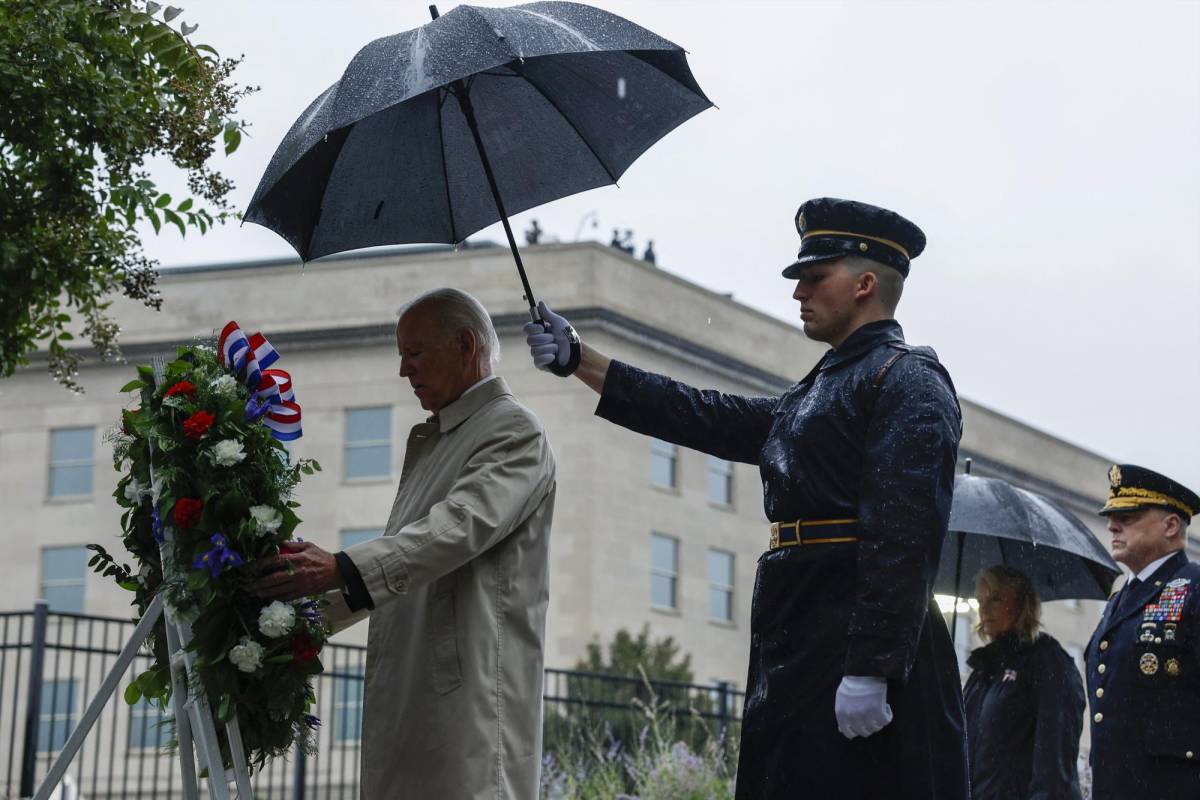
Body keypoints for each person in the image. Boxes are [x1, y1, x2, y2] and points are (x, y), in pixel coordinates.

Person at [525, 198, 969, 798]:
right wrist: (582, 360)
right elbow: (705, 415)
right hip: (803, 626)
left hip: (850, 635)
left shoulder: (907, 379)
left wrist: (873, 666)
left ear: (865, 284)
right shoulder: (823, 386)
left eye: (815, 278)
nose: (798, 293)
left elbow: (904, 534)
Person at [253, 288, 557, 799]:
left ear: (465, 346)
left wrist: (340, 568)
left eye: (413, 353)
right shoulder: (442, 440)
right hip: (423, 701)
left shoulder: (512, 428)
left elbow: (456, 528)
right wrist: (291, 613)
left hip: (470, 708)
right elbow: (407, 561)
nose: (403, 371)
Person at [1085, 464, 1200, 799]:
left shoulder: (1193, 587)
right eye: (1112, 516)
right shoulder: (1120, 599)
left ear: (1171, 525)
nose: (1112, 525)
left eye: (1130, 516)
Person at [963, 565, 1085, 799]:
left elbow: (1054, 762)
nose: (984, 608)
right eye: (980, 600)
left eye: (996, 598)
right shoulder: (982, 669)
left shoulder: (1048, 663)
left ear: (1022, 605)